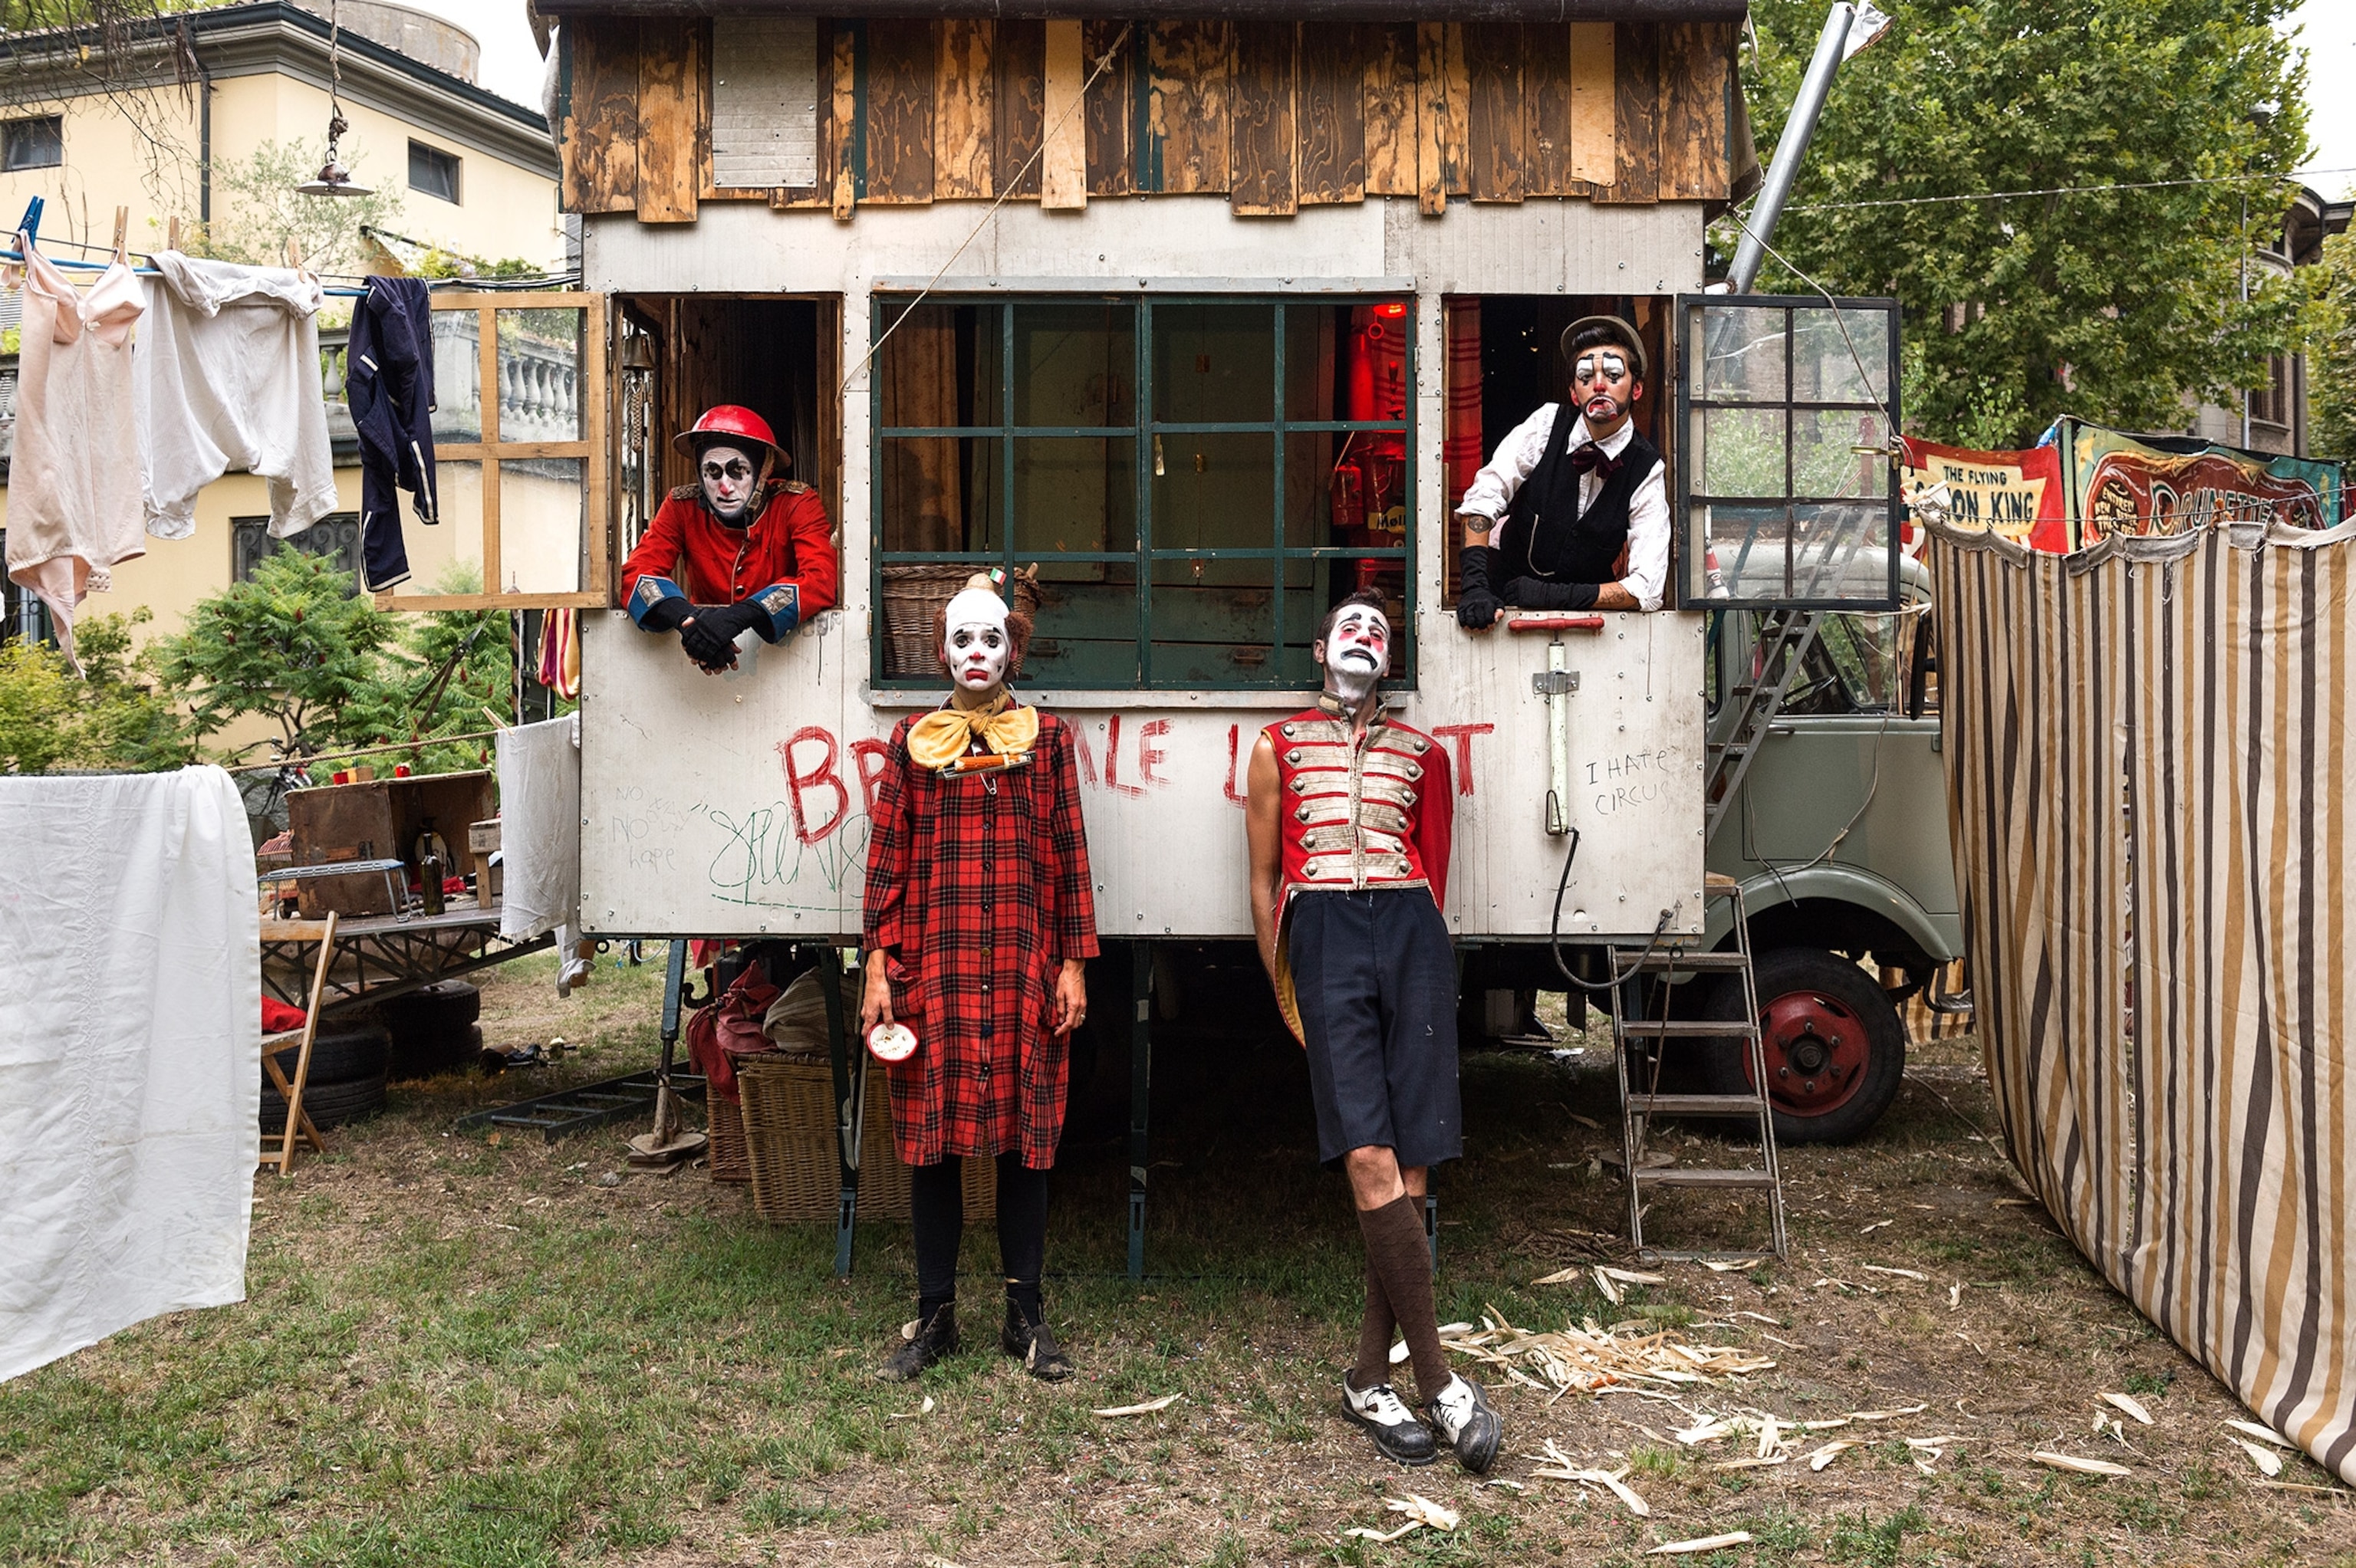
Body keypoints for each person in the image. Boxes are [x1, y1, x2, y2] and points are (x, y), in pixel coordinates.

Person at [1243, 590, 1503, 1474]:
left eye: (1378, 631)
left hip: (1410, 927)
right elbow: (1264, 877)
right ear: (1320, 649)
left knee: (1413, 1157)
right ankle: (1439, 1380)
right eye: (1348, 627)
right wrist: (1284, 977)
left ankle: (1367, 1377)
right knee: (1366, 1150)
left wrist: (1420, 943)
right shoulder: (1276, 746)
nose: (1363, 637)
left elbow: (1436, 864)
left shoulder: (1424, 754)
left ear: (1389, 658)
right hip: (1320, 931)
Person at [859, 574, 1097, 1383]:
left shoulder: (1048, 740)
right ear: (942, 650)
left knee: (1026, 1143)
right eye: (962, 638)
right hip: (937, 969)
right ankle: (935, 1318)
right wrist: (878, 965)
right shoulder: (912, 743)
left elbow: (1069, 853)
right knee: (931, 1146)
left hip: (1024, 967)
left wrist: (1073, 962)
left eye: (991, 638)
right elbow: (887, 860)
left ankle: (1025, 1316)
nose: (976, 652)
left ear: (1012, 650)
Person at [1455, 315, 1668, 626]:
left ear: (1636, 389)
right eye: (1586, 376)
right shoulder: (1545, 424)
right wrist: (1475, 587)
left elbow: (1647, 590)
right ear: (1574, 393)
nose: (1598, 385)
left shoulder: (1646, 469)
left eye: (1613, 375)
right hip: (1501, 601)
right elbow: (1485, 496)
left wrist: (1550, 596)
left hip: (1587, 620)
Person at [617, 405, 839, 672]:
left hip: (787, 664)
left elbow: (821, 580)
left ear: (765, 468)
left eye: (738, 471)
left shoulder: (796, 504)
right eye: (712, 473)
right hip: (699, 658)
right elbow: (634, 574)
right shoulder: (681, 506)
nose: (724, 487)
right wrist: (690, 622)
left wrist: (743, 615)